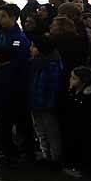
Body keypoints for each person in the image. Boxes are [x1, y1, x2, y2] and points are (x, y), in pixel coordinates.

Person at [29, 35, 64, 169]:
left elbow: (53, 88)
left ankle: (55, 159)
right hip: (36, 103)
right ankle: (45, 155)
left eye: (33, 46)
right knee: (40, 131)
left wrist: (50, 104)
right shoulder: (35, 63)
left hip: (47, 105)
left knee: (51, 132)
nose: (30, 48)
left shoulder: (52, 65)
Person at [62, 66, 91, 174]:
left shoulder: (90, 95)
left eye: (74, 78)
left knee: (85, 144)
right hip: (76, 125)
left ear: (83, 80)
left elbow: (85, 113)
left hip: (86, 126)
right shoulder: (75, 91)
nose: (70, 79)